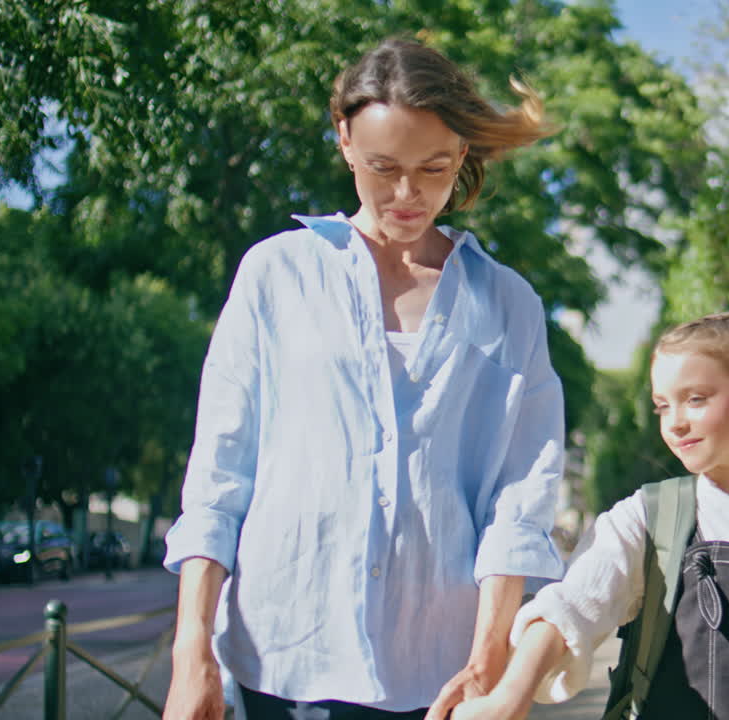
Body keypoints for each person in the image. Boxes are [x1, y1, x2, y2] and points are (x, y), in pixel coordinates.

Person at [161, 37, 566, 720]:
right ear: (344, 140)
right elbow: (220, 474)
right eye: (383, 167)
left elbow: (518, 498)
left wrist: (489, 658)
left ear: (463, 154)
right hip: (283, 661)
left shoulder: (509, 306)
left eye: (433, 168)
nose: (407, 194)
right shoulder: (275, 275)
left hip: (439, 676)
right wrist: (190, 649)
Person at [446, 312, 729, 720]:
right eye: (662, 406)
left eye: (695, 399)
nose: (674, 423)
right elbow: (569, 607)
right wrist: (509, 697)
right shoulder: (649, 516)